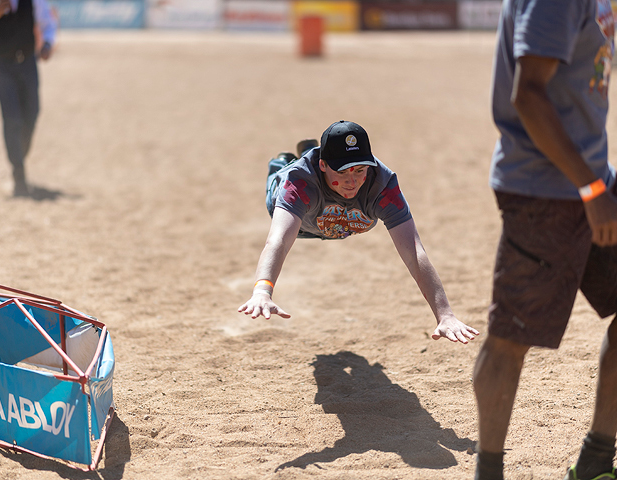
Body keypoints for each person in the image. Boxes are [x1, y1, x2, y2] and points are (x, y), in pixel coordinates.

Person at [472, 1, 617, 479]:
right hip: (546, 190)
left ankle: (597, 463)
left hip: (593, 180)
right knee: (511, 338)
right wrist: (591, 188)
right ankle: (488, 472)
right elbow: (527, 93)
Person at [238, 120, 479, 345]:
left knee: (356, 208)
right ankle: (285, 162)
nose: (352, 182)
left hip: (344, 224)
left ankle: (314, 155)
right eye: (342, 173)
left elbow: (414, 251)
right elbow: (278, 240)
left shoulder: (383, 184)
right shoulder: (300, 182)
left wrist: (445, 314)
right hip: (303, 223)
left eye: (359, 170)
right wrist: (262, 290)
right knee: (279, 191)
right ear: (323, 165)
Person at [0, 0, 57, 196]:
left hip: (28, 62)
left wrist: (46, 43)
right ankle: (19, 175)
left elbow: (47, 22)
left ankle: (19, 158)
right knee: (12, 118)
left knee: (32, 114)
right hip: (1, 64)